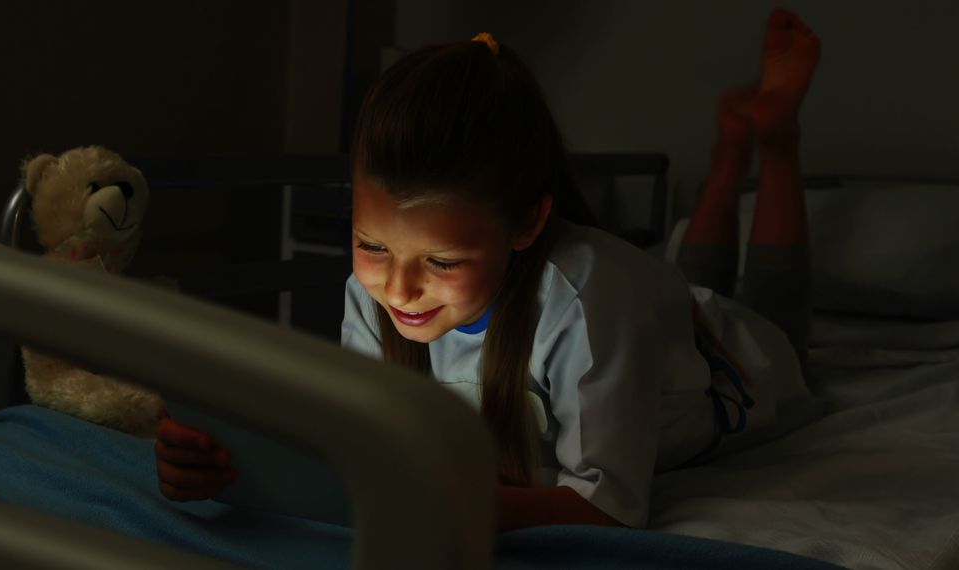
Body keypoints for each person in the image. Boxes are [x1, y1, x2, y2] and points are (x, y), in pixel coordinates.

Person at [155, 9, 821, 530]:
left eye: (442, 260)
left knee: (781, 326)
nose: (399, 287)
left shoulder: (588, 300)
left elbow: (610, 506)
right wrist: (232, 466)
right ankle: (731, 151)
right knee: (679, 277)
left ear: (528, 224)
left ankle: (772, 143)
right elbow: (366, 439)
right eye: (373, 245)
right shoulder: (373, 291)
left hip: (737, 358)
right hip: (664, 306)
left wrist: (447, 501)